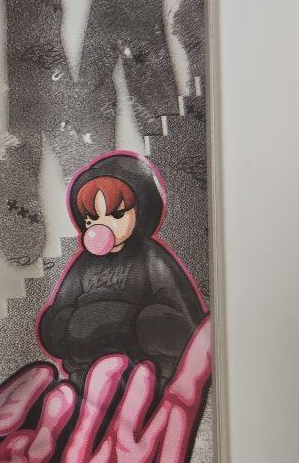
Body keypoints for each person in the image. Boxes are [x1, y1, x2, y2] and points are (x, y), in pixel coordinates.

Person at [37, 152, 205, 392]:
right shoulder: (84, 264)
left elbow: (184, 328)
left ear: (141, 210)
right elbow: (55, 323)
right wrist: (76, 328)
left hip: (145, 379)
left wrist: (125, 322)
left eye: (116, 214)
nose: (102, 225)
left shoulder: (151, 258)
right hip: (87, 380)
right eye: (91, 218)